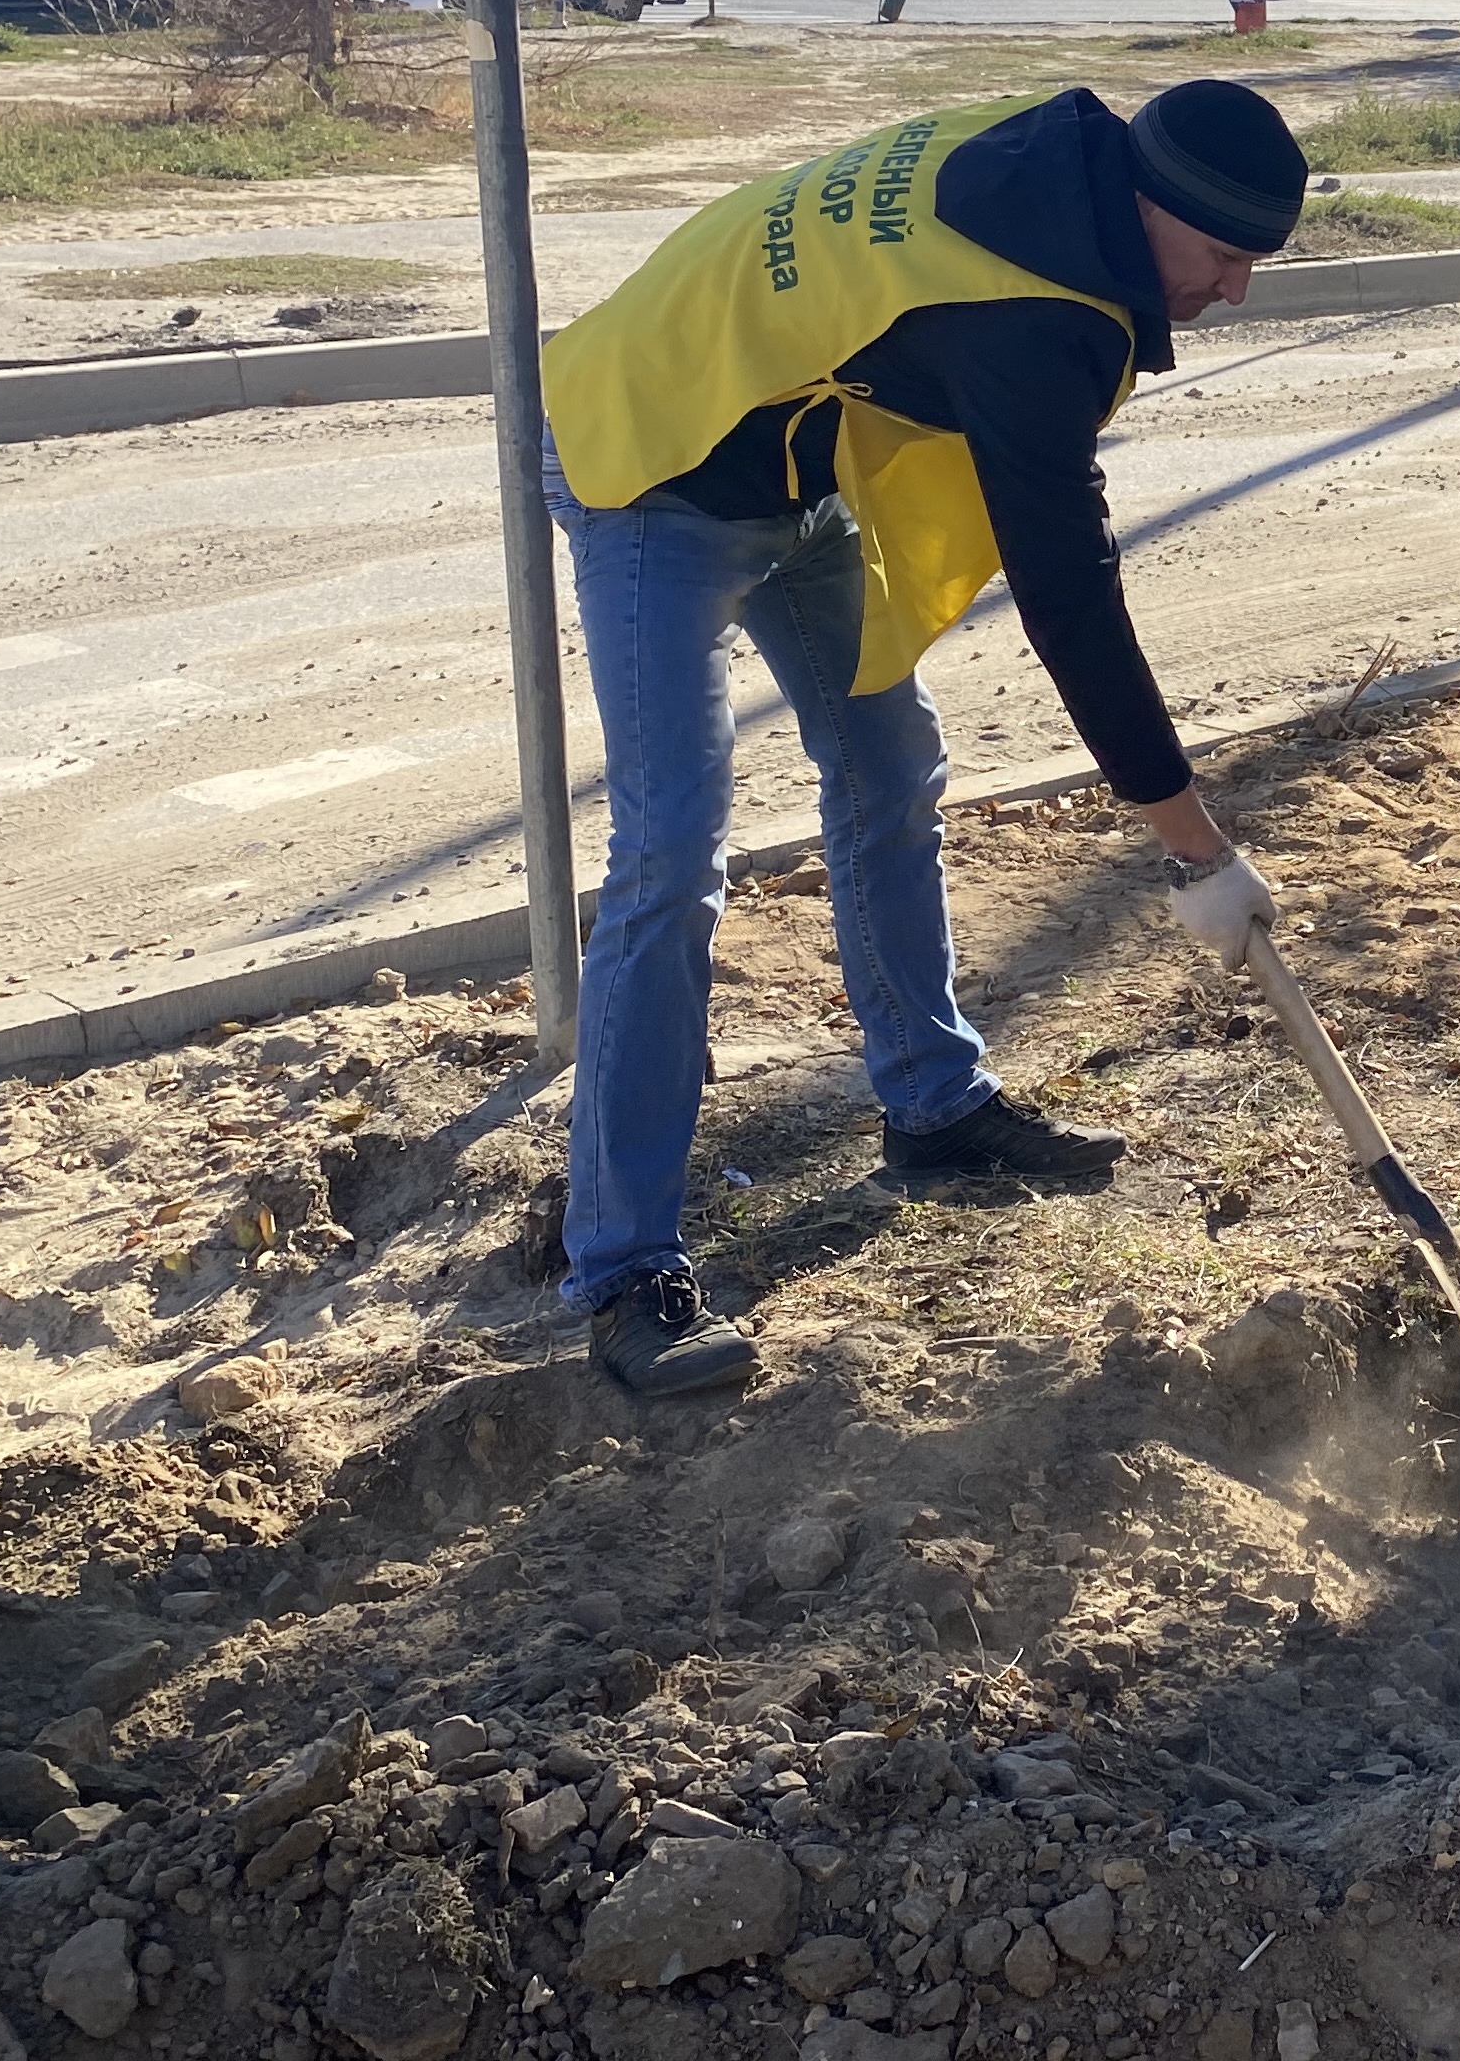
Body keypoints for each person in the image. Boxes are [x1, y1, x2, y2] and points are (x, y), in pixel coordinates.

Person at [534, 80, 1310, 1397]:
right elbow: (1071, 598)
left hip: (793, 461)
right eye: (1223, 256)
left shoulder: (1060, 177)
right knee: (669, 853)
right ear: (1144, 206)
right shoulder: (1029, 307)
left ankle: (934, 1107)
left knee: (892, 762)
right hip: (651, 457)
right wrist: (1195, 852)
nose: (1234, 291)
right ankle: (620, 1270)